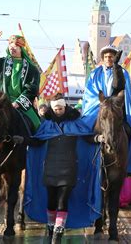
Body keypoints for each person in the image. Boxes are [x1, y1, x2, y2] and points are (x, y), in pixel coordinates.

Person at [23, 94, 101, 243]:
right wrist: (22, 140)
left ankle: (58, 233)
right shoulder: (47, 124)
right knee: (51, 201)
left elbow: (86, 137)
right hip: (50, 168)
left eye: (60, 108)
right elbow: (38, 141)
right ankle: (52, 227)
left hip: (69, 168)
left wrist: (98, 138)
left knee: (62, 201)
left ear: (65, 107)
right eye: (56, 109)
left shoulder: (75, 123)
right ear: (52, 109)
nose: (58, 111)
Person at [81, 45, 131, 203]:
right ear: (102, 59)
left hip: (116, 106)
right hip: (99, 106)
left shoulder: (122, 72)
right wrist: (101, 102)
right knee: (84, 129)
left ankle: (128, 166)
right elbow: (90, 93)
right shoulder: (95, 73)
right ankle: (84, 163)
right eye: (107, 57)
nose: (109, 59)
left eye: (112, 56)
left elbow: (120, 87)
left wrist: (116, 68)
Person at [0, 30, 41, 132]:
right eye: (10, 46)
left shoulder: (32, 69)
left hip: (21, 104)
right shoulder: (2, 63)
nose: (12, 48)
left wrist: (17, 103)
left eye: (15, 46)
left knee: (37, 125)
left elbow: (32, 89)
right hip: (0, 102)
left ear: (21, 48)